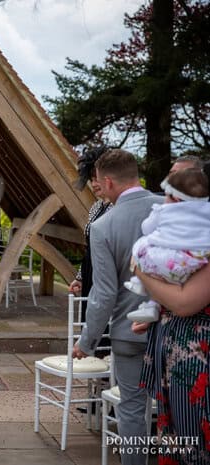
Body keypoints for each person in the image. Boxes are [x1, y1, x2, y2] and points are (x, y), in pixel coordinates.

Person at [73, 149, 162, 465]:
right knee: (180, 409)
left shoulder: (104, 225)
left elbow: (104, 293)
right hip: (175, 328)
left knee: (133, 410)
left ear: (107, 182)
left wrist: (87, 341)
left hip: (129, 335)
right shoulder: (171, 209)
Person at [133, 252, 210, 464]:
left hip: (197, 360)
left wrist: (138, 267)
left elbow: (185, 303)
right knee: (178, 441)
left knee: (195, 446)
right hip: (178, 353)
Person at [125, 168, 210, 322]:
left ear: (175, 198)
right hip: (195, 260)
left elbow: (146, 228)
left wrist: (137, 269)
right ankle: (152, 305)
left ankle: (141, 285)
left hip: (169, 263)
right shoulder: (205, 213)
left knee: (141, 246)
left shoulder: (164, 211)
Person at [68, 146, 113, 310]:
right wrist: (80, 277)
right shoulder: (95, 208)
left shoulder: (119, 207)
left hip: (106, 275)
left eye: (96, 178)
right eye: (90, 179)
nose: (94, 184)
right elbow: (89, 248)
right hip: (90, 273)